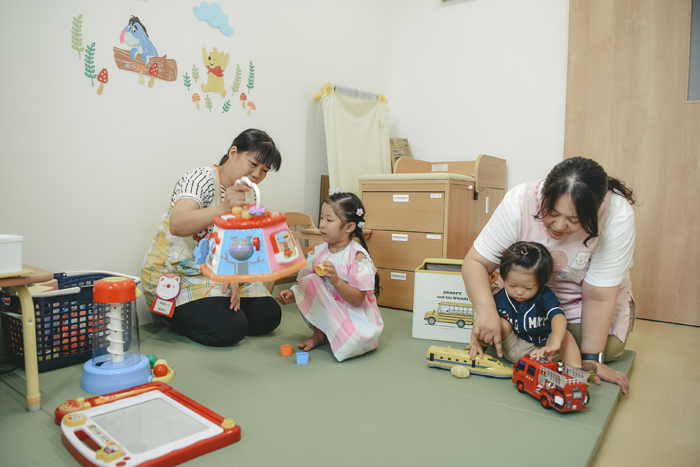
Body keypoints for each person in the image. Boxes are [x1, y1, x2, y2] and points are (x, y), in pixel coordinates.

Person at [462, 157, 636, 394]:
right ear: (543, 196)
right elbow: (475, 263)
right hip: (520, 299)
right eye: (552, 213)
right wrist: (486, 310)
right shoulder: (520, 200)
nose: (560, 226)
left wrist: (592, 358)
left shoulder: (616, 214)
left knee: (610, 349)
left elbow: (597, 295)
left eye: (574, 220)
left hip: (579, 302)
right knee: (494, 329)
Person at [141, 128, 283, 347]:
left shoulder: (249, 193)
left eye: (264, 170)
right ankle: (172, 319)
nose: (257, 175)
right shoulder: (200, 178)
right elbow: (177, 225)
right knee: (231, 329)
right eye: (253, 164)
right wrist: (223, 208)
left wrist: (234, 277)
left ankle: (218, 308)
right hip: (177, 271)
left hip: (215, 271)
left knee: (269, 315)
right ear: (233, 152)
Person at [278, 192, 384, 362]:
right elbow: (306, 283)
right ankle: (320, 335)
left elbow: (357, 300)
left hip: (353, 313)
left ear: (349, 227)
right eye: (321, 218)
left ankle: (339, 335)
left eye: (329, 220)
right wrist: (294, 293)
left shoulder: (357, 257)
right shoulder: (319, 252)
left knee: (354, 343)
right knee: (310, 279)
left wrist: (336, 281)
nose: (322, 225)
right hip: (330, 311)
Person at [471, 241, 582, 368]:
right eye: (512, 285)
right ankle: (477, 349)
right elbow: (483, 320)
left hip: (545, 351)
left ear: (541, 283)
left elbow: (558, 317)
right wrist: (475, 341)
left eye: (528, 287)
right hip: (516, 349)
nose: (519, 292)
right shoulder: (499, 297)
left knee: (566, 335)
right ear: (504, 277)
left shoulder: (544, 295)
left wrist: (554, 344)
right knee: (497, 321)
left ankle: (576, 371)